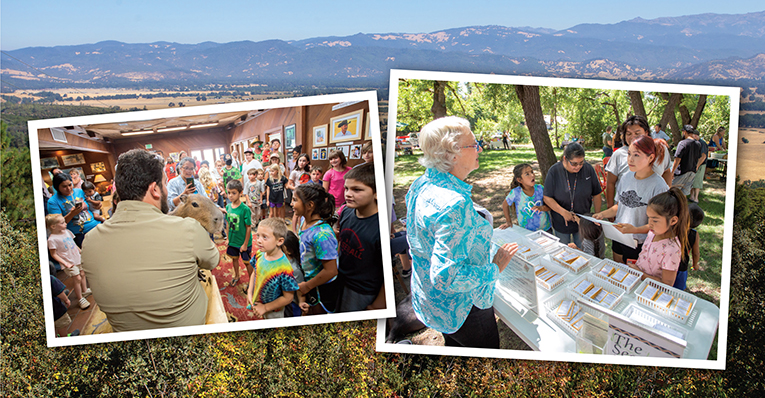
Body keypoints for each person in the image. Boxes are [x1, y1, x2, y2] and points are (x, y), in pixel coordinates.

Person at [405, 116, 518, 348]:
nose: (479, 148)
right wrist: (494, 267)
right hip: (464, 308)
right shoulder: (453, 203)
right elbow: (447, 276)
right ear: (452, 153)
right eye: (474, 144)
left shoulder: (421, 183)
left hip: (432, 303)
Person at [82, 149, 219, 331]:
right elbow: (213, 261)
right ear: (155, 190)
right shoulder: (188, 228)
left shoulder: (89, 240)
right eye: (164, 185)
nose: (166, 190)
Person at [594, 136, 669, 263]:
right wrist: (602, 214)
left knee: (632, 277)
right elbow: (620, 205)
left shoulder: (659, 186)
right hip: (618, 236)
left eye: (636, 155)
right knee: (618, 271)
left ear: (650, 158)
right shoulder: (626, 177)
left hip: (640, 243)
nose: (630, 159)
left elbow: (659, 224)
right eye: (629, 154)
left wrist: (633, 230)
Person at [335, 163, 384, 312]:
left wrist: (378, 304)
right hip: (341, 279)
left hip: (362, 290)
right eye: (347, 188)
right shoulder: (347, 212)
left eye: (357, 190)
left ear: (376, 193)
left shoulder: (379, 226)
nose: (348, 194)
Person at [605, 115, 673, 209]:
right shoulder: (618, 154)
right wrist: (610, 206)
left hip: (655, 209)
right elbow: (610, 182)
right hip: (626, 210)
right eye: (628, 134)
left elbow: (666, 172)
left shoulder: (661, 150)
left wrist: (667, 197)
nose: (633, 137)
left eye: (637, 133)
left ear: (646, 132)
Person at [543, 142, 602, 248]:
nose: (578, 167)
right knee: (562, 252)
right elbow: (547, 197)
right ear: (565, 159)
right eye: (574, 163)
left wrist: (596, 217)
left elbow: (597, 194)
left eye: (581, 163)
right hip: (561, 222)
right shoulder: (554, 171)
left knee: (583, 251)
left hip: (583, 223)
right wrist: (563, 212)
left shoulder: (588, 169)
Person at [292, 183, 340, 314]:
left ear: (310, 205)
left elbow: (331, 271)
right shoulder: (304, 221)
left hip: (321, 290)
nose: (291, 204)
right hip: (310, 283)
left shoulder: (322, 235)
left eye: (295, 200)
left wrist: (307, 286)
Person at [629, 187, 690, 286]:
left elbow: (667, 284)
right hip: (638, 284)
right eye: (648, 218)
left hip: (650, 292)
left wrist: (640, 274)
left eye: (655, 220)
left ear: (673, 221)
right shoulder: (653, 232)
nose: (650, 223)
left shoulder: (672, 250)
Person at [246, 218, 299, 319]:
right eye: (258, 236)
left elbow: (288, 298)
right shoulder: (259, 254)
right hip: (259, 302)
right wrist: (250, 292)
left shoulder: (284, 268)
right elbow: (254, 272)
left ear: (279, 241)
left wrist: (265, 307)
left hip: (274, 311)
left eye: (264, 237)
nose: (258, 241)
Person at [47, 214, 92, 309]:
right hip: (68, 263)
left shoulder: (67, 232)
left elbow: (73, 244)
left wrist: (81, 252)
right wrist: (65, 263)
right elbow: (53, 254)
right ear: (53, 226)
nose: (65, 223)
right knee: (77, 278)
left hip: (77, 258)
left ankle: (84, 290)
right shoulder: (52, 240)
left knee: (83, 274)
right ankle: (80, 299)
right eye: (62, 223)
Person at [47, 173, 100, 248]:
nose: (68, 188)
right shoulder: (53, 201)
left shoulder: (80, 192)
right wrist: (72, 214)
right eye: (64, 186)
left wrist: (97, 205)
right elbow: (57, 224)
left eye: (70, 185)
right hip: (78, 234)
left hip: (94, 225)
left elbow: (92, 204)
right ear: (57, 187)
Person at [499, 163, 551, 232]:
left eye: (532, 172)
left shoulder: (540, 189)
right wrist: (508, 221)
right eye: (527, 174)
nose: (532, 175)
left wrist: (541, 208)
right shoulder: (516, 192)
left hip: (545, 230)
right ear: (520, 180)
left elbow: (550, 206)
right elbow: (505, 205)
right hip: (526, 232)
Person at [225, 179, 253, 288]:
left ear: (240, 193)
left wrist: (245, 244)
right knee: (234, 259)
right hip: (233, 240)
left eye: (234, 193)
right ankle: (236, 276)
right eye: (229, 193)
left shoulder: (245, 209)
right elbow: (227, 223)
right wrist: (228, 238)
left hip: (243, 242)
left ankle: (251, 280)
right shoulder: (228, 207)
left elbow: (248, 227)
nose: (230, 196)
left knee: (247, 262)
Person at [674, 203, 704, 290]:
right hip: (682, 267)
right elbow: (696, 253)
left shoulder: (673, 228)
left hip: (667, 263)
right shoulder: (694, 234)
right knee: (678, 290)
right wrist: (695, 264)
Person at [281, 230, 306, 317]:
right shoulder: (281, 261)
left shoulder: (294, 270)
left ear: (289, 251)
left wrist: (301, 302)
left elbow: (300, 289)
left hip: (292, 305)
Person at [672, 125, 702, 196]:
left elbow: (677, 159)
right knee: (683, 194)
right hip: (692, 172)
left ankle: (674, 207)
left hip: (682, 172)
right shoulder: (698, 144)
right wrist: (696, 167)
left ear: (684, 132)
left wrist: (672, 171)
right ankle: (683, 206)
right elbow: (699, 157)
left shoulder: (682, 143)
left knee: (673, 192)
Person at [287, 154, 311, 227]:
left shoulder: (309, 172)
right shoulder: (294, 172)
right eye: (300, 160)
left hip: (306, 195)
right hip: (297, 195)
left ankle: (300, 229)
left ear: (307, 162)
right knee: (296, 214)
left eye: (304, 161)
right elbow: (288, 185)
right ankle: (294, 231)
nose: (301, 162)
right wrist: (296, 189)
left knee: (303, 213)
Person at [689, 130, 708, 203]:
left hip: (700, 165)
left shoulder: (702, 143)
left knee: (697, 181)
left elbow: (703, 156)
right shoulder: (694, 143)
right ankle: (692, 196)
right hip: (694, 164)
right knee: (691, 181)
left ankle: (696, 198)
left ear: (696, 136)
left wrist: (697, 166)